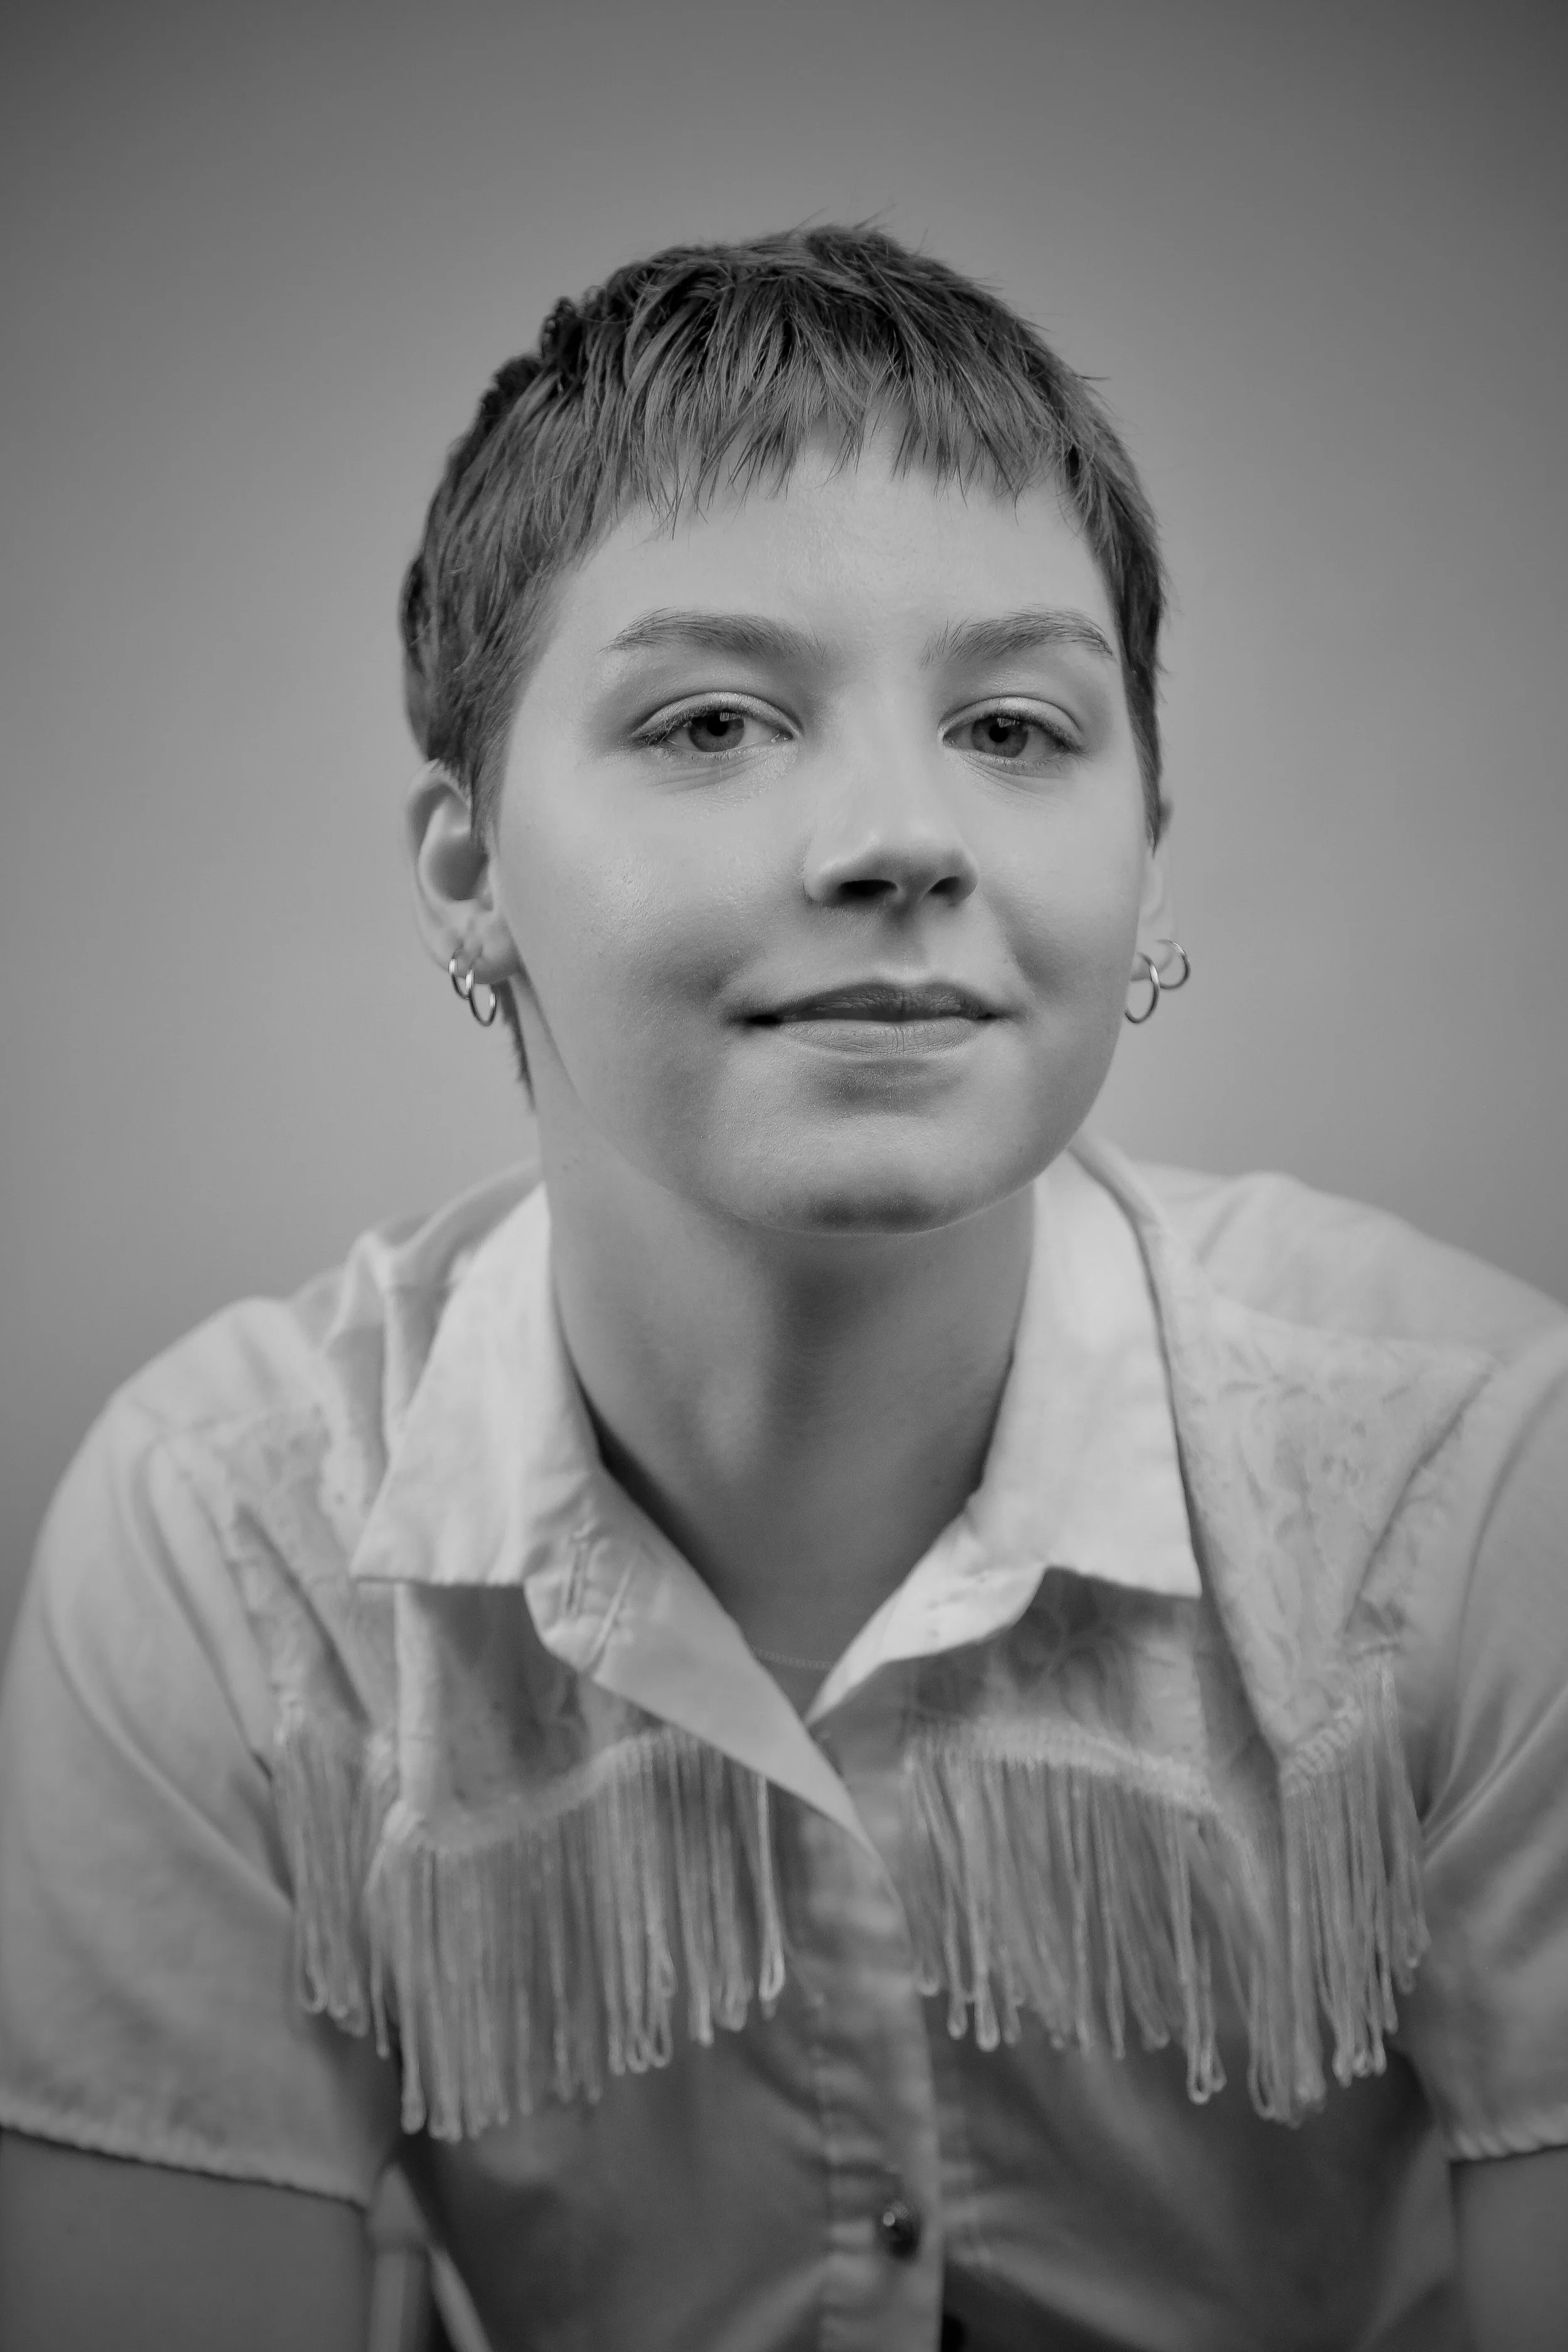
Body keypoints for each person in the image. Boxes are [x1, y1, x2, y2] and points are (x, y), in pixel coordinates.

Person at [1, 222, 1564, 2352]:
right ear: (467, 870)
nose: (902, 836)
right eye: (715, 719)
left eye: (1014, 724)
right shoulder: (227, 1547)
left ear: (1145, 850)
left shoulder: (1477, 1487)